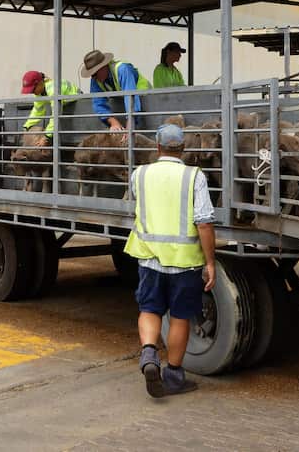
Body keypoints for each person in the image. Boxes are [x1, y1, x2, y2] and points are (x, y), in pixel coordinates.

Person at [124, 123, 216, 398]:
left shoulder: (138, 174)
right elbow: (204, 222)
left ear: (157, 147)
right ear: (183, 149)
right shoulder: (194, 177)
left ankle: (149, 353)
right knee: (179, 317)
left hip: (150, 257)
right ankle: (174, 376)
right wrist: (210, 262)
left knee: (150, 309)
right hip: (184, 262)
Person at [81, 49, 151, 133]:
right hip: (129, 108)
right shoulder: (96, 80)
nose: (93, 77)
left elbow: (131, 99)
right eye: (91, 75)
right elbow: (98, 103)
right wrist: (113, 122)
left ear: (103, 66)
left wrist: (129, 128)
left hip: (147, 101)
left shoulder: (122, 69)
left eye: (95, 73)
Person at [20, 70, 80, 145]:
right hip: (64, 103)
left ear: (40, 83)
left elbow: (55, 114)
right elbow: (37, 110)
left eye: (33, 89)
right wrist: (27, 126)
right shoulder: (39, 93)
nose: (32, 92)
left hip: (77, 100)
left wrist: (46, 136)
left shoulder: (53, 90)